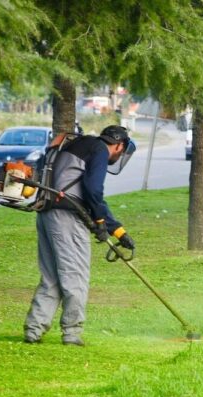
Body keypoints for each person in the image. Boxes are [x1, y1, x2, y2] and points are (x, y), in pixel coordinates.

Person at [24, 125, 137, 346]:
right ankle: (72, 334)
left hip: (47, 213)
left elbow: (88, 197)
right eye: (121, 152)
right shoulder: (100, 150)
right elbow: (93, 191)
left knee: (52, 277)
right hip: (68, 219)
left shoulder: (78, 144)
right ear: (119, 145)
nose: (118, 156)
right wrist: (101, 224)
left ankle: (33, 330)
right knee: (75, 276)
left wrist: (118, 231)